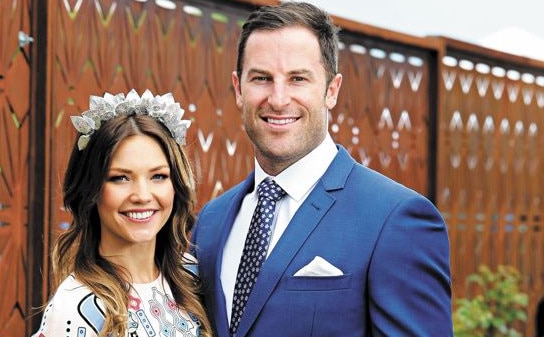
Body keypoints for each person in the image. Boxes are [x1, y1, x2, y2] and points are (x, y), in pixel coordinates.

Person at [190, 2, 452, 337]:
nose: (279, 98)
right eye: (261, 78)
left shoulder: (395, 220)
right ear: (239, 89)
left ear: (331, 90)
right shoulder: (211, 221)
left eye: (298, 78)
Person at [32, 89, 212, 337]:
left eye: (158, 176)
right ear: (91, 190)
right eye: (120, 178)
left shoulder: (191, 277)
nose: (142, 195)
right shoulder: (77, 307)